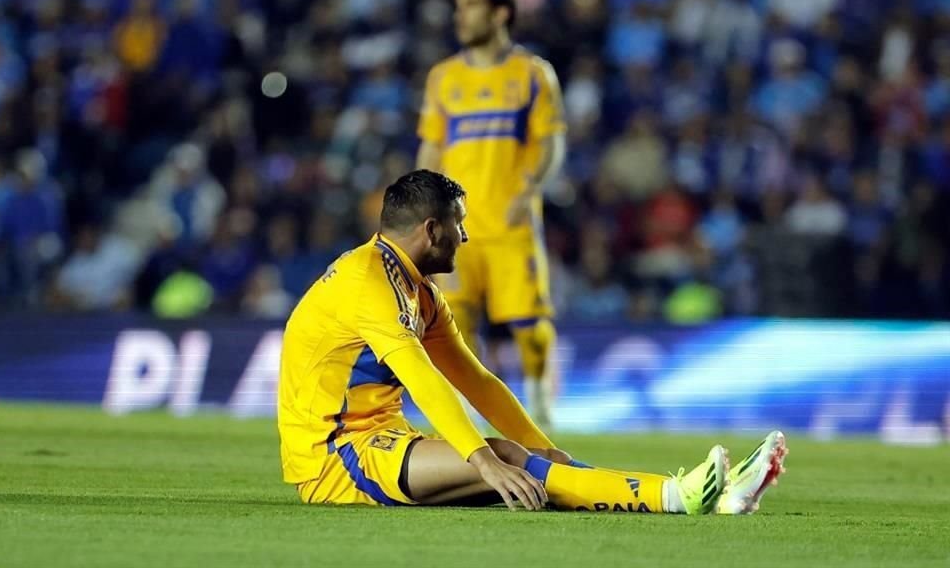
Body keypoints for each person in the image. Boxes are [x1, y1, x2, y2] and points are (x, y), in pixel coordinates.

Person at [277, 169, 787, 512]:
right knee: (507, 461)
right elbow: (425, 381)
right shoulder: (369, 281)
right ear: (432, 230)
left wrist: (545, 447)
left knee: (531, 462)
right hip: (335, 457)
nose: (467, 237)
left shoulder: (416, 288)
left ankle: (703, 496)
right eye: (460, 224)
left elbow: (476, 380)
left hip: (381, 441)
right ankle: (678, 495)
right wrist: (483, 460)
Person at [416, 0, 565, 427]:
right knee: (454, 325)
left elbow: (550, 142)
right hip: (457, 227)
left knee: (529, 324)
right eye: (458, 6)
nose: (460, 15)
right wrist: (422, 203)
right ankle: (467, 416)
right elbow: (431, 147)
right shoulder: (443, 77)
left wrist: (529, 191)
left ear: (501, 12)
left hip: (510, 221)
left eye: (471, 4)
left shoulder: (533, 74)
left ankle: (540, 406)